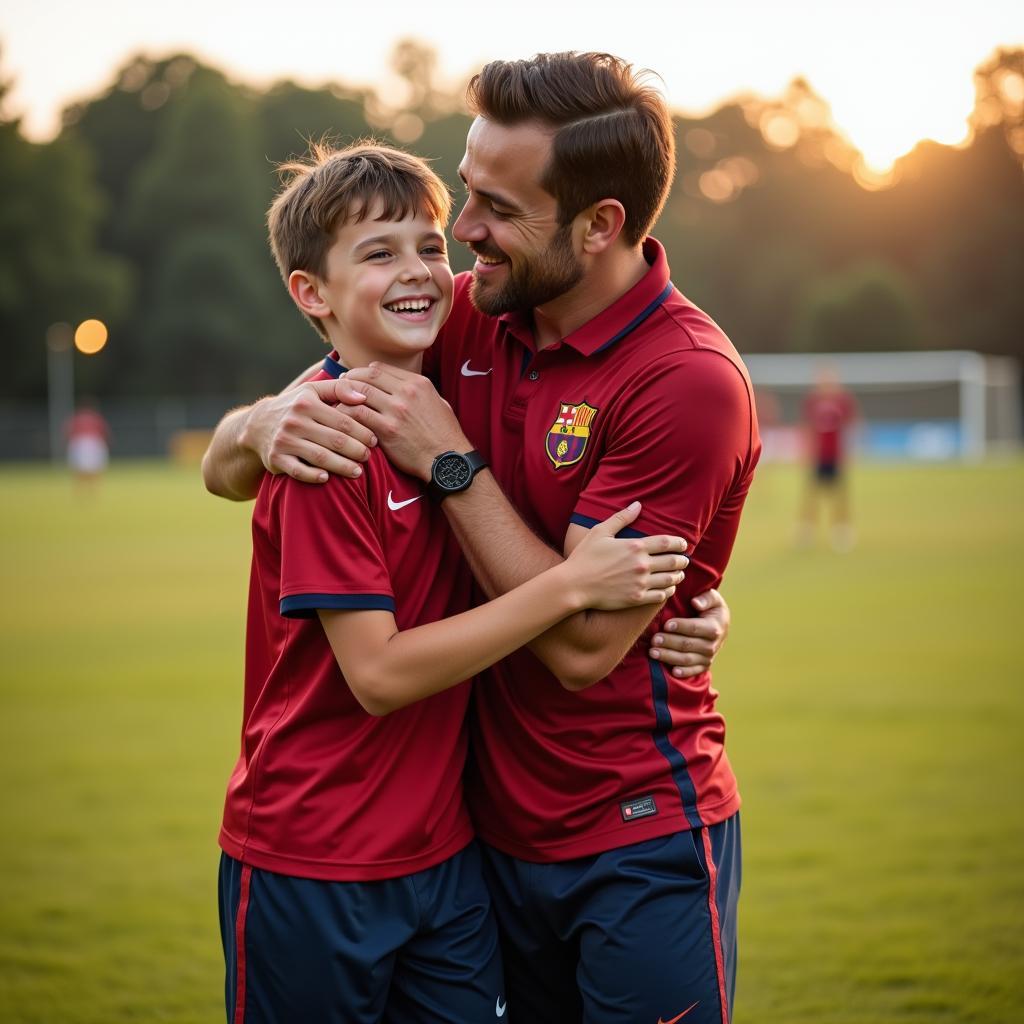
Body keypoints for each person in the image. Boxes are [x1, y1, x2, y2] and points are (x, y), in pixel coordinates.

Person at [204, 53, 758, 1024]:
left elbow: (584, 646)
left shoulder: (686, 380)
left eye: (494, 211)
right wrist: (254, 427)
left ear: (600, 225)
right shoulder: (465, 313)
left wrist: (453, 463)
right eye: (466, 197)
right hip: (475, 839)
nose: (460, 239)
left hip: (630, 831)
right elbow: (262, 441)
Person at [798, 365, 858, 551]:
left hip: (836, 455)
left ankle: (841, 530)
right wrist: (807, 451)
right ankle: (807, 531)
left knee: (840, 494)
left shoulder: (843, 400)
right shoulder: (812, 400)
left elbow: (852, 426)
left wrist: (850, 452)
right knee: (811, 494)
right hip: (818, 455)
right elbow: (807, 426)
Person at [65, 401, 110, 490]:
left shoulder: (76, 418)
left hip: (79, 442)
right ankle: (92, 488)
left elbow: (69, 432)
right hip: (93, 442)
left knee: (80, 468)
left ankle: (81, 488)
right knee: (94, 467)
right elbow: (104, 431)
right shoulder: (96, 417)